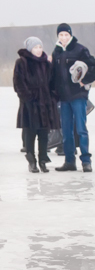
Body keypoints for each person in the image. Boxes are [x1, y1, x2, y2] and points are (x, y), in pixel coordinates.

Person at [51, 23, 95, 172]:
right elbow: (54, 76)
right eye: (61, 35)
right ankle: (69, 162)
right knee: (66, 132)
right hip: (64, 98)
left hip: (78, 96)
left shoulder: (80, 49)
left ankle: (86, 161)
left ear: (70, 35)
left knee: (81, 129)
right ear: (58, 36)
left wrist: (84, 81)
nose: (64, 37)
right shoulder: (56, 52)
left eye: (66, 34)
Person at [14, 37, 60, 173]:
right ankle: (31, 160)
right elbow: (18, 83)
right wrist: (28, 98)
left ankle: (42, 160)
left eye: (40, 47)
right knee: (30, 132)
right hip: (30, 104)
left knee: (44, 134)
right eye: (35, 47)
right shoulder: (21, 63)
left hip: (45, 103)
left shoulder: (46, 63)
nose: (39, 50)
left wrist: (53, 97)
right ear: (29, 49)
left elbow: (53, 82)